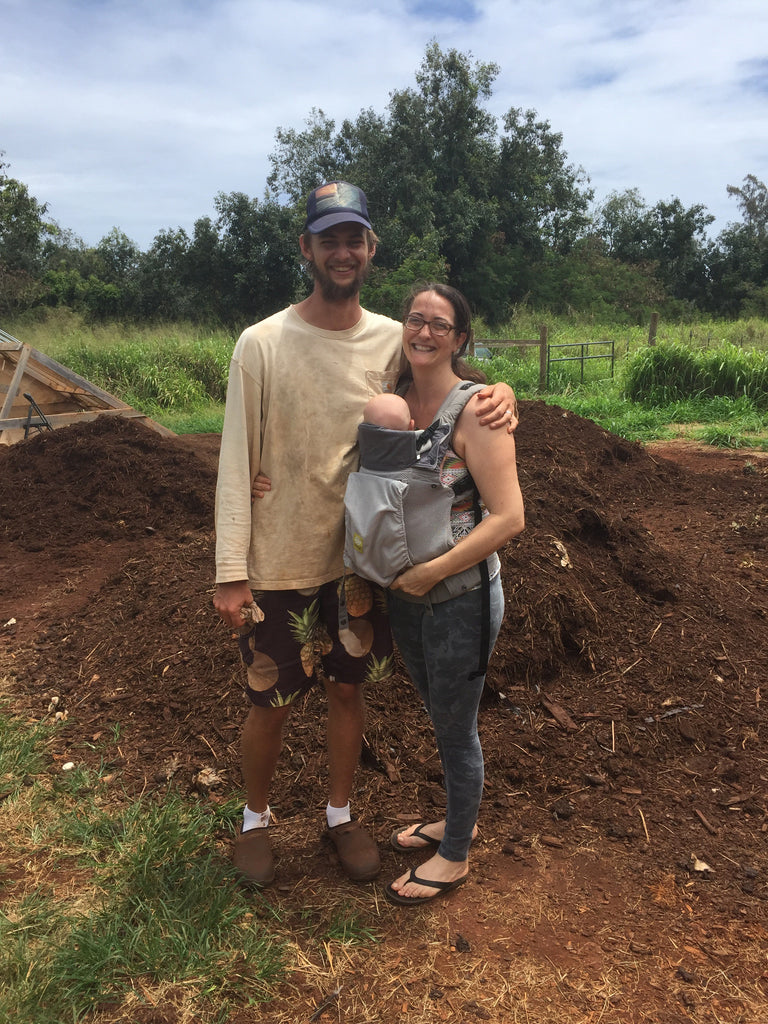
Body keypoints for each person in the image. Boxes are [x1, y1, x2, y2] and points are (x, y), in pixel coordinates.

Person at [213, 181, 518, 889]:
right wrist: (232, 568)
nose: (343, 251)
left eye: (355, 239)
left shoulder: (391, 337)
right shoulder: (261, 344)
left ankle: (340, 814)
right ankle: (255, 822)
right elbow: (234, 459)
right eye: (329, 239)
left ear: (370, 249)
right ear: (307, 249)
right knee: (270, 698)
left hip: (359, 563)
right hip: (281, 555)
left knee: (349, 693)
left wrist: (506, 396)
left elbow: (447, 391)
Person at [385, 283, 525, 907]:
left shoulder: (478, 411)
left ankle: (456, 855)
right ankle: (454, 818)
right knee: (442, 719)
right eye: (416, 319)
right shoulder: (393, 403)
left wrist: (431, 573)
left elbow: (509, 518)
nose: (425, 331)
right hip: (404, 597)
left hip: (458, 599)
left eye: (440, 324)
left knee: (457, 727)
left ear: (460, 339)